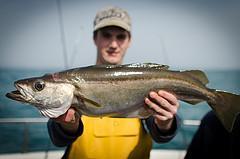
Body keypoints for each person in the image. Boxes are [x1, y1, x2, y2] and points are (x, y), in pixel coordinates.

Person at [48, 6, 180, 159]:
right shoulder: (70, 84)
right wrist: (68, 125)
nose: (113, 44)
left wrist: (165, 123)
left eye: (120, 37)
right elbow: (58, 139)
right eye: (106, 35)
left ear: (129, 40)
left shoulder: (148, 83)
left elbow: (162, 136)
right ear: (95, 38)